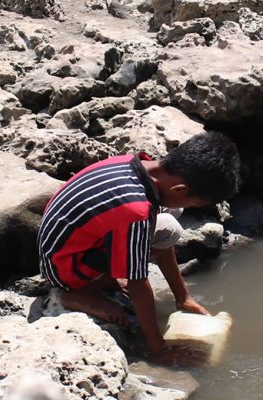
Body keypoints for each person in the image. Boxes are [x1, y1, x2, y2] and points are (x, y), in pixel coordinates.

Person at [37, 132, 241, 365]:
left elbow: (158, 237)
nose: (192, 207)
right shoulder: (135, 211)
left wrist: (183, 297)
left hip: (68, 242)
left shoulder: (136, 164)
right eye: (195, 202)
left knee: (169, 226)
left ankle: (104, 280)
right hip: (63, 266)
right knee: (142, 251)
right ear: (180, 189)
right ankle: (76, 293)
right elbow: (138, 284)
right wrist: (159, 349)